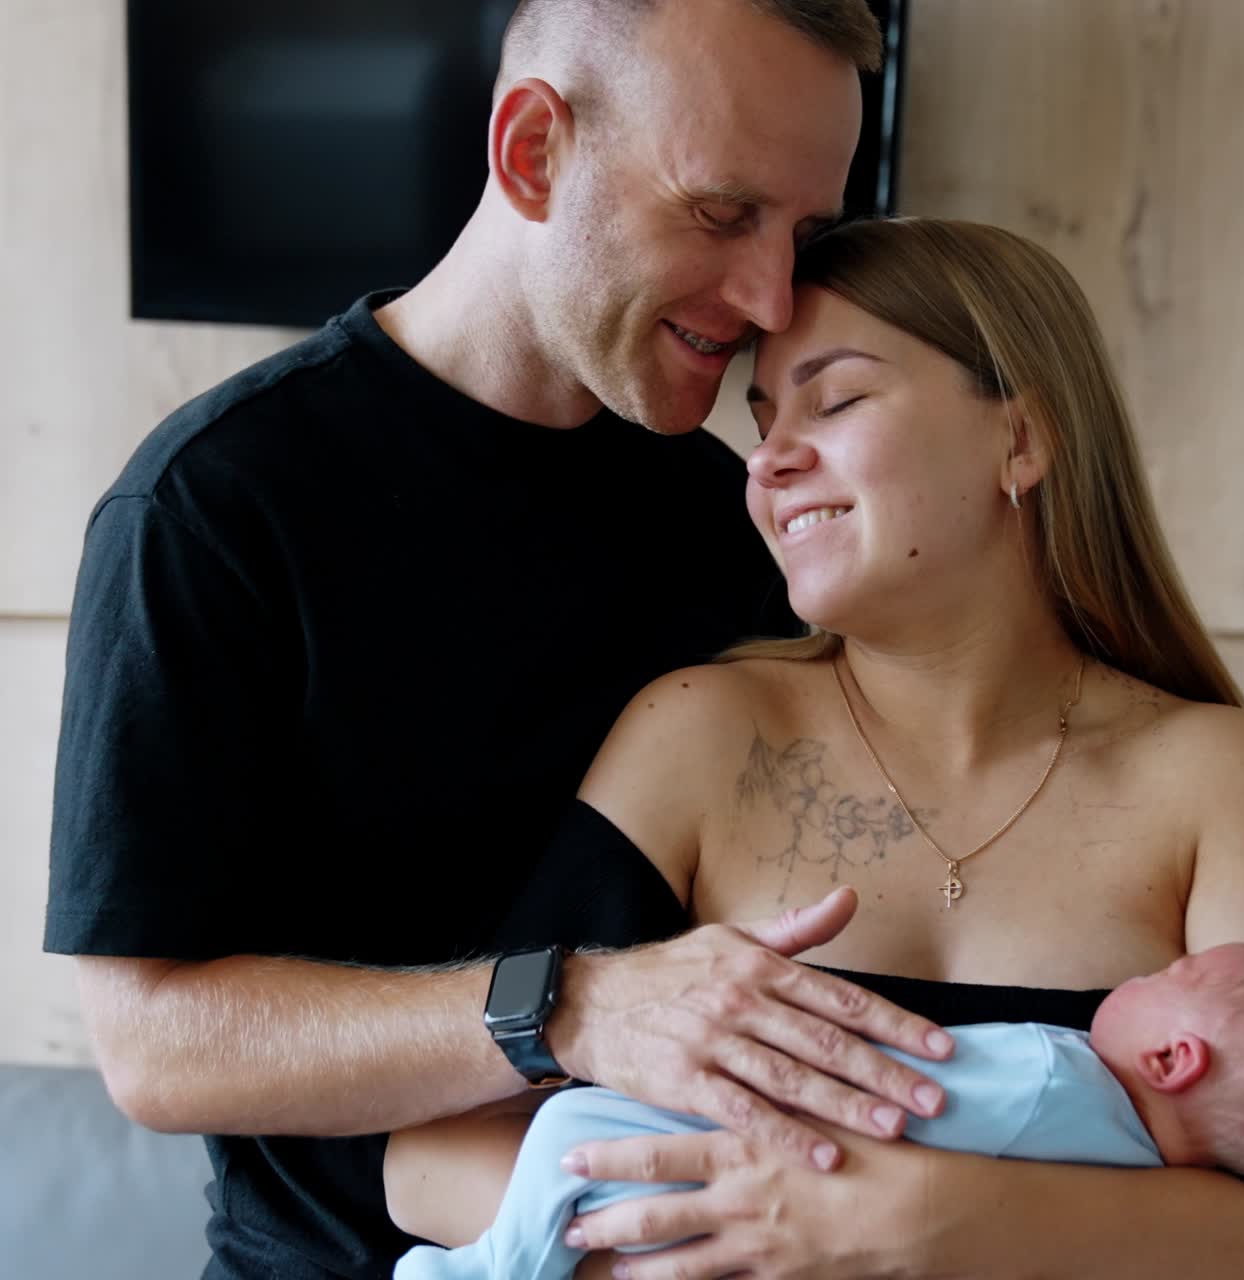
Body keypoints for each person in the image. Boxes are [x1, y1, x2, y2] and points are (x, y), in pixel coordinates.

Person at [46, 5, 965, 1280]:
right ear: (532, 151)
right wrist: (570, 1005)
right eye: (719, 212)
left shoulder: (736, 522)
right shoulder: (216, 505)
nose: (768, 297)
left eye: (800, 236)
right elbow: (155, 1044)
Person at [380, 218, 1244, 1279]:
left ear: (1020, 441)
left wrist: (935, 1223)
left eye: (836, 398)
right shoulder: (700, 735)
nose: (767, 459)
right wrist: (708, 1249)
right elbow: (430, 1156)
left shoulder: (1216, 778)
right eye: (762, 417)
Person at [388, 941, 1244, 1280]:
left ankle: (483, 1272)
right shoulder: (1137, 1173)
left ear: (1173, 1059)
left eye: (1172, 975)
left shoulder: (1055, 1071)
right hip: (759, 1220)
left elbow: (906, 1078)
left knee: (570, 1134)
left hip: (753, 1158)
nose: (1151, 970)